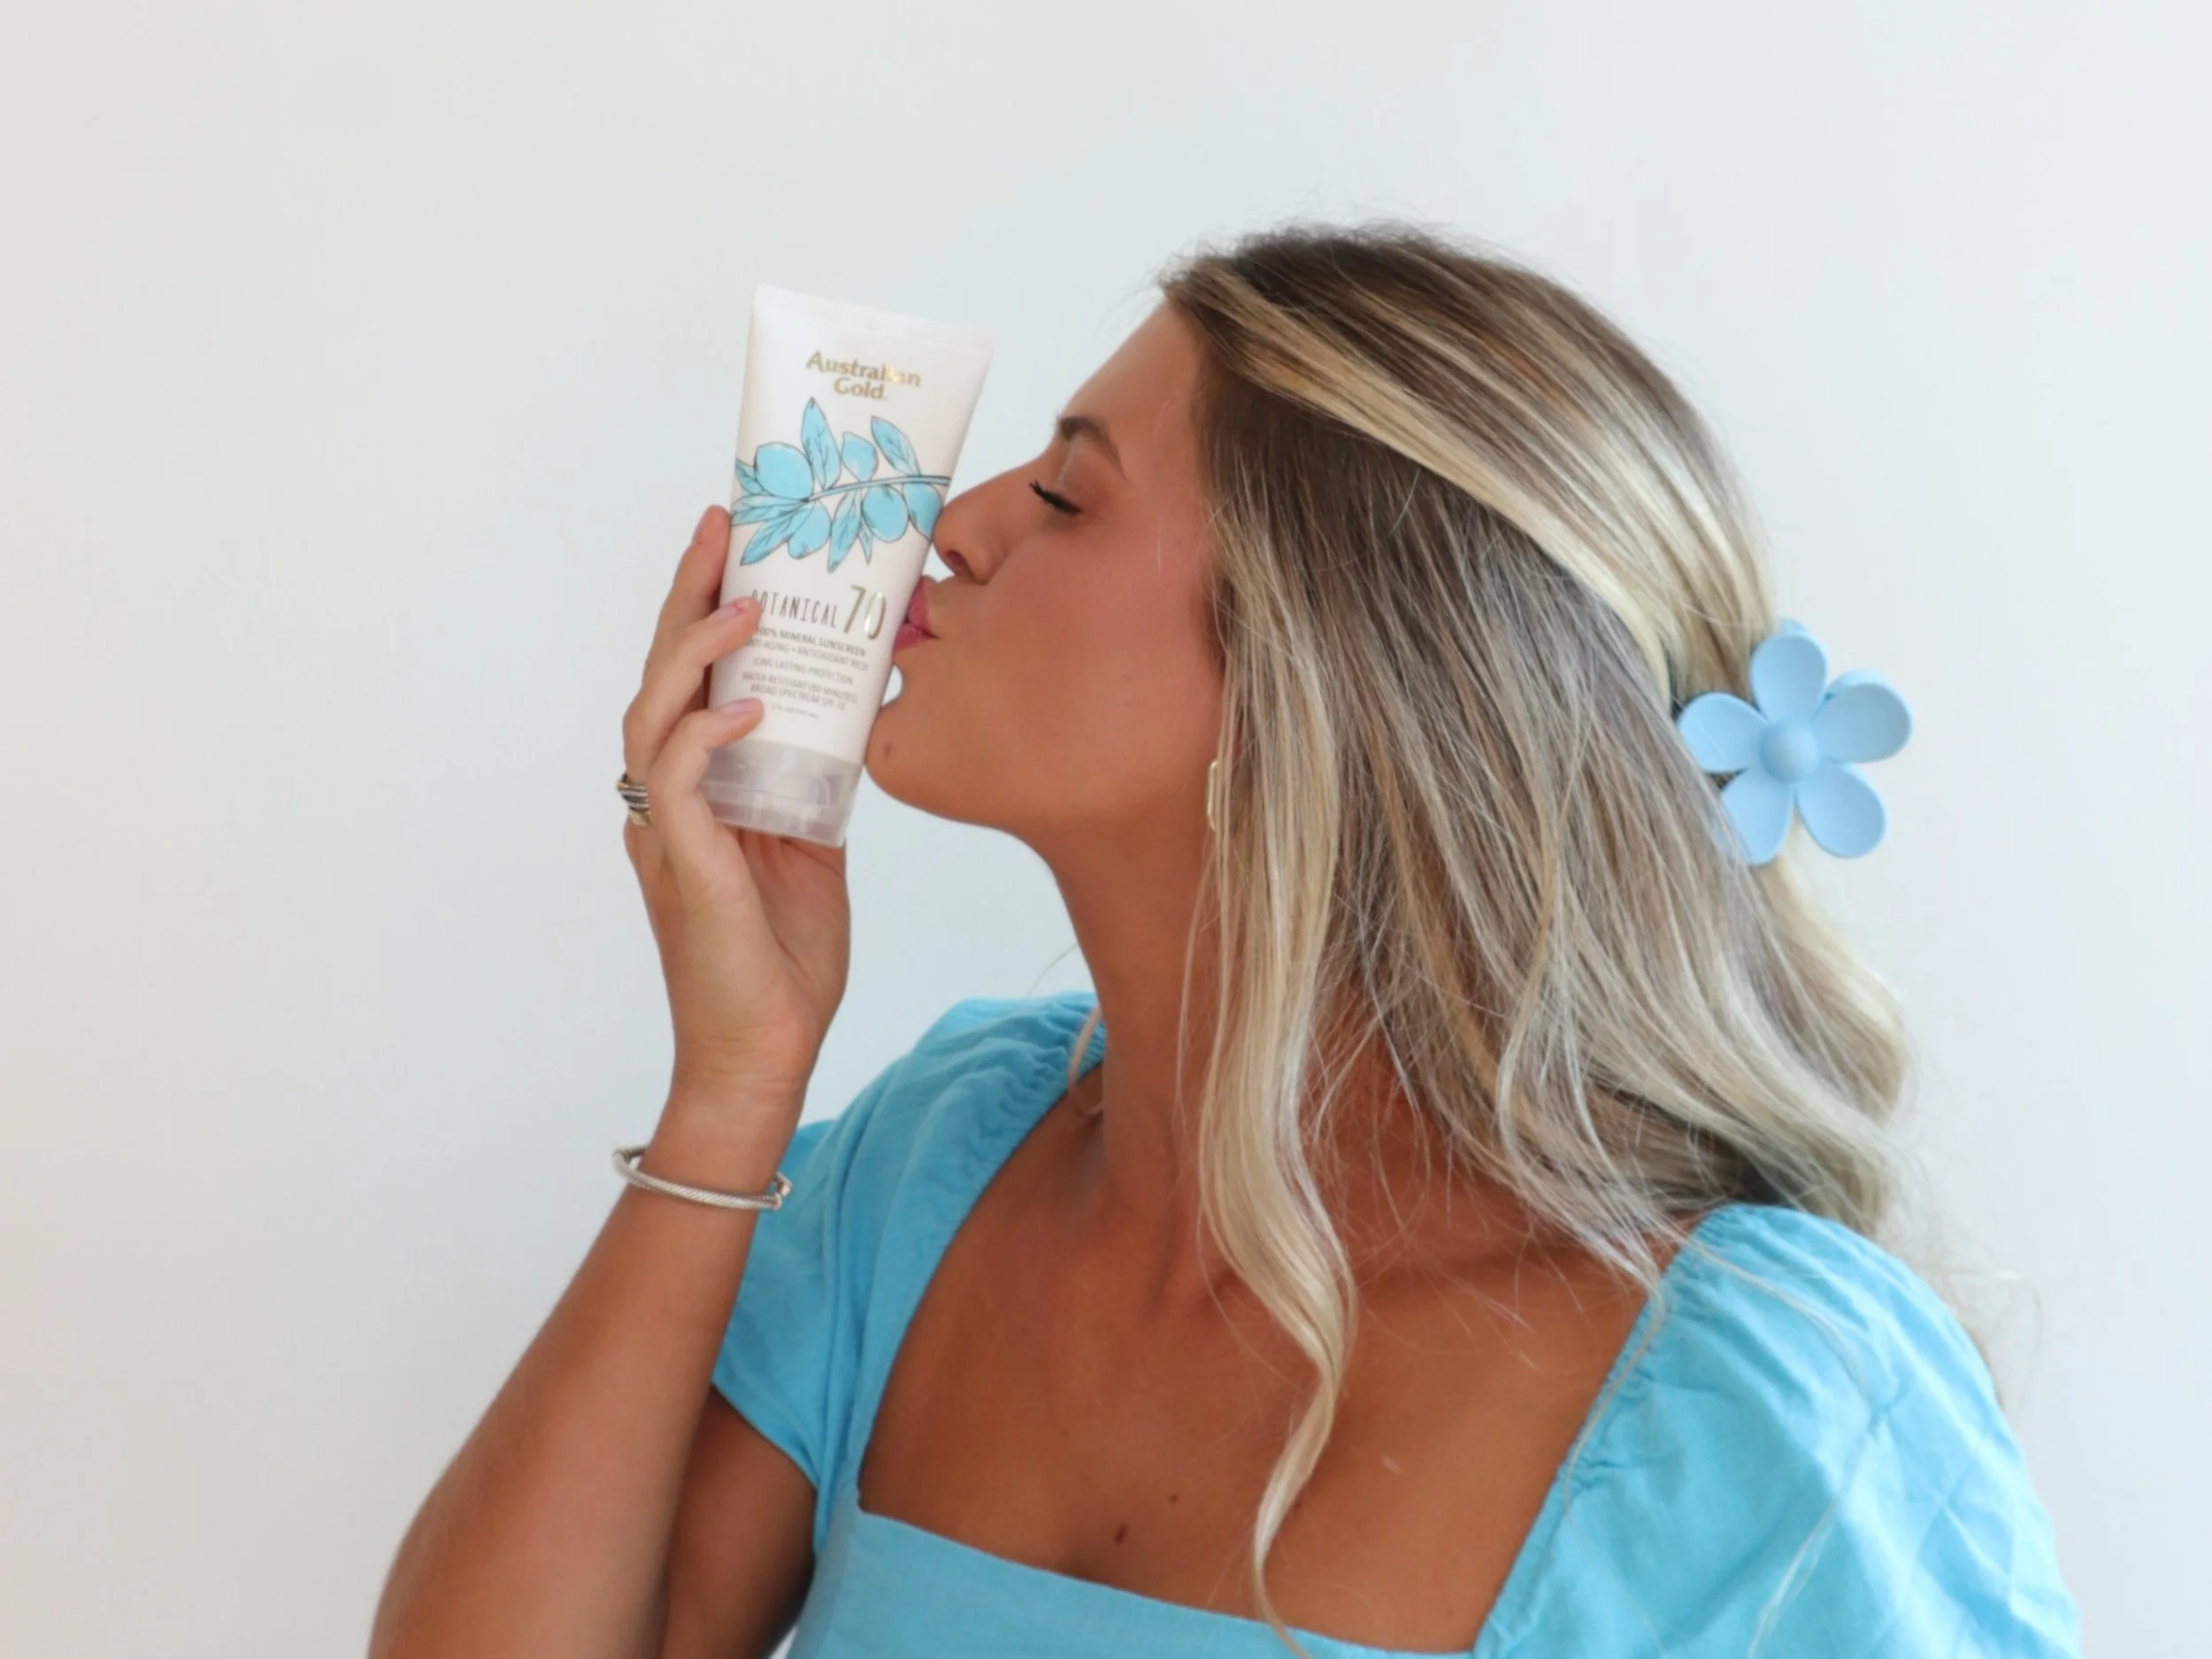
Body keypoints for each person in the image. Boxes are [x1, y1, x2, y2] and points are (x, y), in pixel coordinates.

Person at [368, 221, 2084, 1659]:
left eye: (1064, 491)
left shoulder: (1762, 1409)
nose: (948, 528)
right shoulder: (934, 1168)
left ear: (1310, 682)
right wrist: (732, 1081)